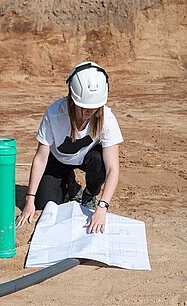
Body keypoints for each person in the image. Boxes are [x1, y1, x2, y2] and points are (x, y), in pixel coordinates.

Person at [16, 61, 123, 233]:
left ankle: (89, 194)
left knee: (99, 161)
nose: (90, 111)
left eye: (94, 107)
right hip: (57, 159)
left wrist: (102, 207)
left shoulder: (107, 118)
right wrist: (30, 199)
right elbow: (41, 158)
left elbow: (113, 168)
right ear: (72, 99)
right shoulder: (54, 113)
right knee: (45, 207)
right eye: (84, 107)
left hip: (88, 157)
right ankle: (69, 183)